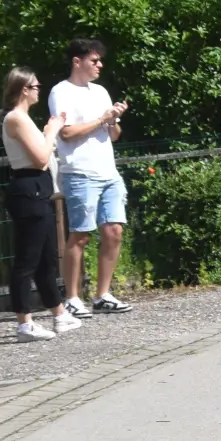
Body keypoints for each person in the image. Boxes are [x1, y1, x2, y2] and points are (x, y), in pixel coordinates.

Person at [49, 38, 132, 317]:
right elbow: (66, 133)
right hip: (80, 172)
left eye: (99, 60)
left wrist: (112, 119)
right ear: (77, 61)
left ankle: (102, 295)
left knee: (114, 231)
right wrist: (101, 119)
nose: (99, 65)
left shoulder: (101, 92)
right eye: (94, 60)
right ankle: (72, 297)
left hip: (108, 170)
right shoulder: (61, 92)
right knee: (81, 235)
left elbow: (115, 134)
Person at [1, 67, 82, 342]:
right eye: (36, 86)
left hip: (37, 189)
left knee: (46, 257)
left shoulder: (24, 119)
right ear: (24, 89)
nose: (39, 90)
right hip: (28, 190)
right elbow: (40, 158)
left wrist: (48, 133)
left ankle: (59, 314)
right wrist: (53, 130)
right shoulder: (16, 118)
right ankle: (24, 323)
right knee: (27, 260)